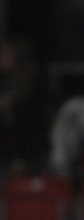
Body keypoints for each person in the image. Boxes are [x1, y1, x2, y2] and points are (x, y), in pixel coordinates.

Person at [0, 36, 49, 173]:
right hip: (6, 120)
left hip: (28, 122)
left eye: (6, 54)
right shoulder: (3, 78)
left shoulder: (31, 75)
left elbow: (29, 101)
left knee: (21, 116)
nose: (2, 57)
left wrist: (9, 103)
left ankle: (19, 160)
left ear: (17, 57)